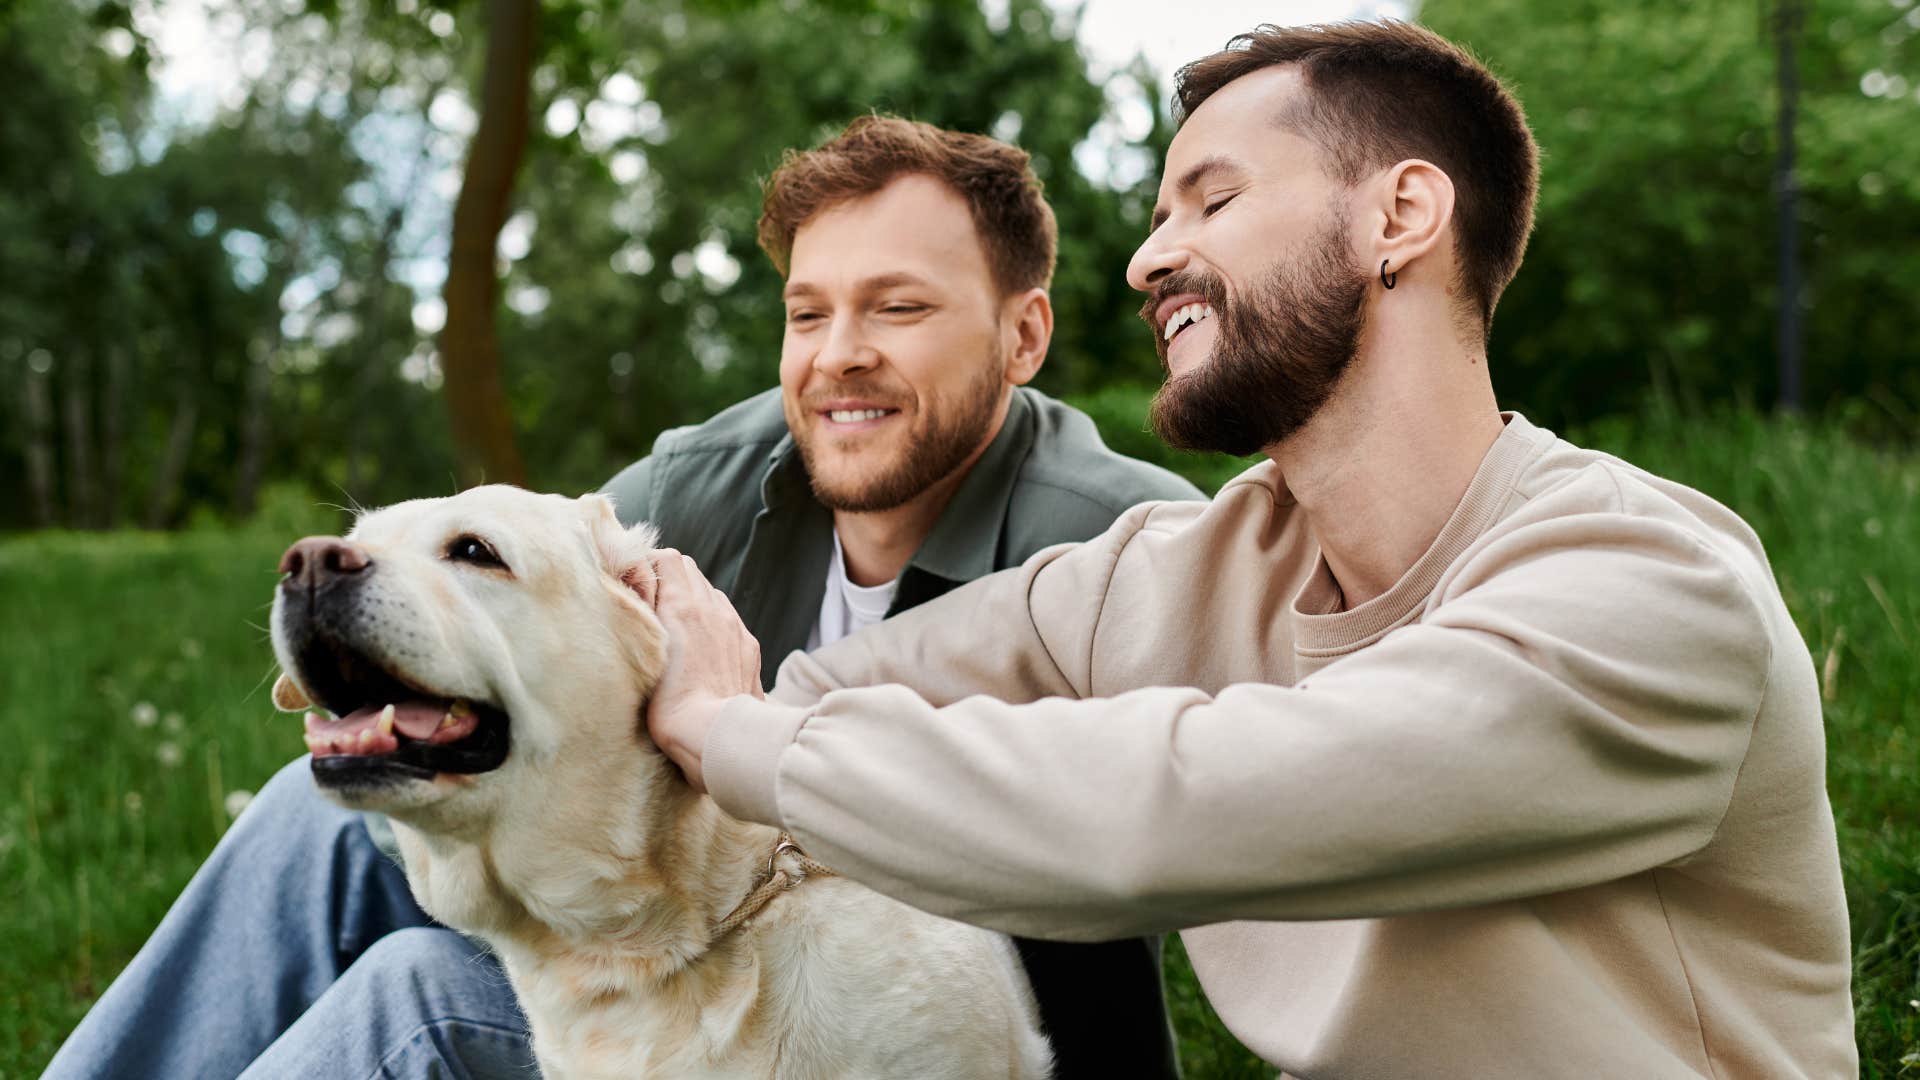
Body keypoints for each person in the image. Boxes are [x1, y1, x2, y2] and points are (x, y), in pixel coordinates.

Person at [644, 22, 1859, 1078]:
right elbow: (835, 688)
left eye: (1212, 203)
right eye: (1159, 214)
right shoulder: (1188, 565)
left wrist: (733, 737)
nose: (1147, 258)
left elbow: (1173, 808)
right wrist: (699, 699)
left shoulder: (1648, 591)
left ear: (1401, 214)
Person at [44, 117, 1199, 1080]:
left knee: (418, 1001)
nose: (838, 355)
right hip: (658, 982)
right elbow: (519, 597)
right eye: (808, 313)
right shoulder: (697, 485)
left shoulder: (1127, 543)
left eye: (898, 309)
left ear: (1024, 334)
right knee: (325, 806)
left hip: (938, 1034)